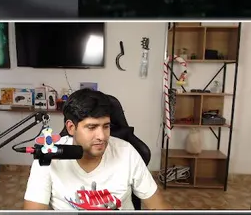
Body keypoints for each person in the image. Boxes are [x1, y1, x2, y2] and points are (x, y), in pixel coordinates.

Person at [23, 89, 168, 210]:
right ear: (71, 127)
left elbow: (158, 206)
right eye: (91, 127)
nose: (102, 136)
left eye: (106, 126)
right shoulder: (48, 157)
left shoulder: (126, 152)